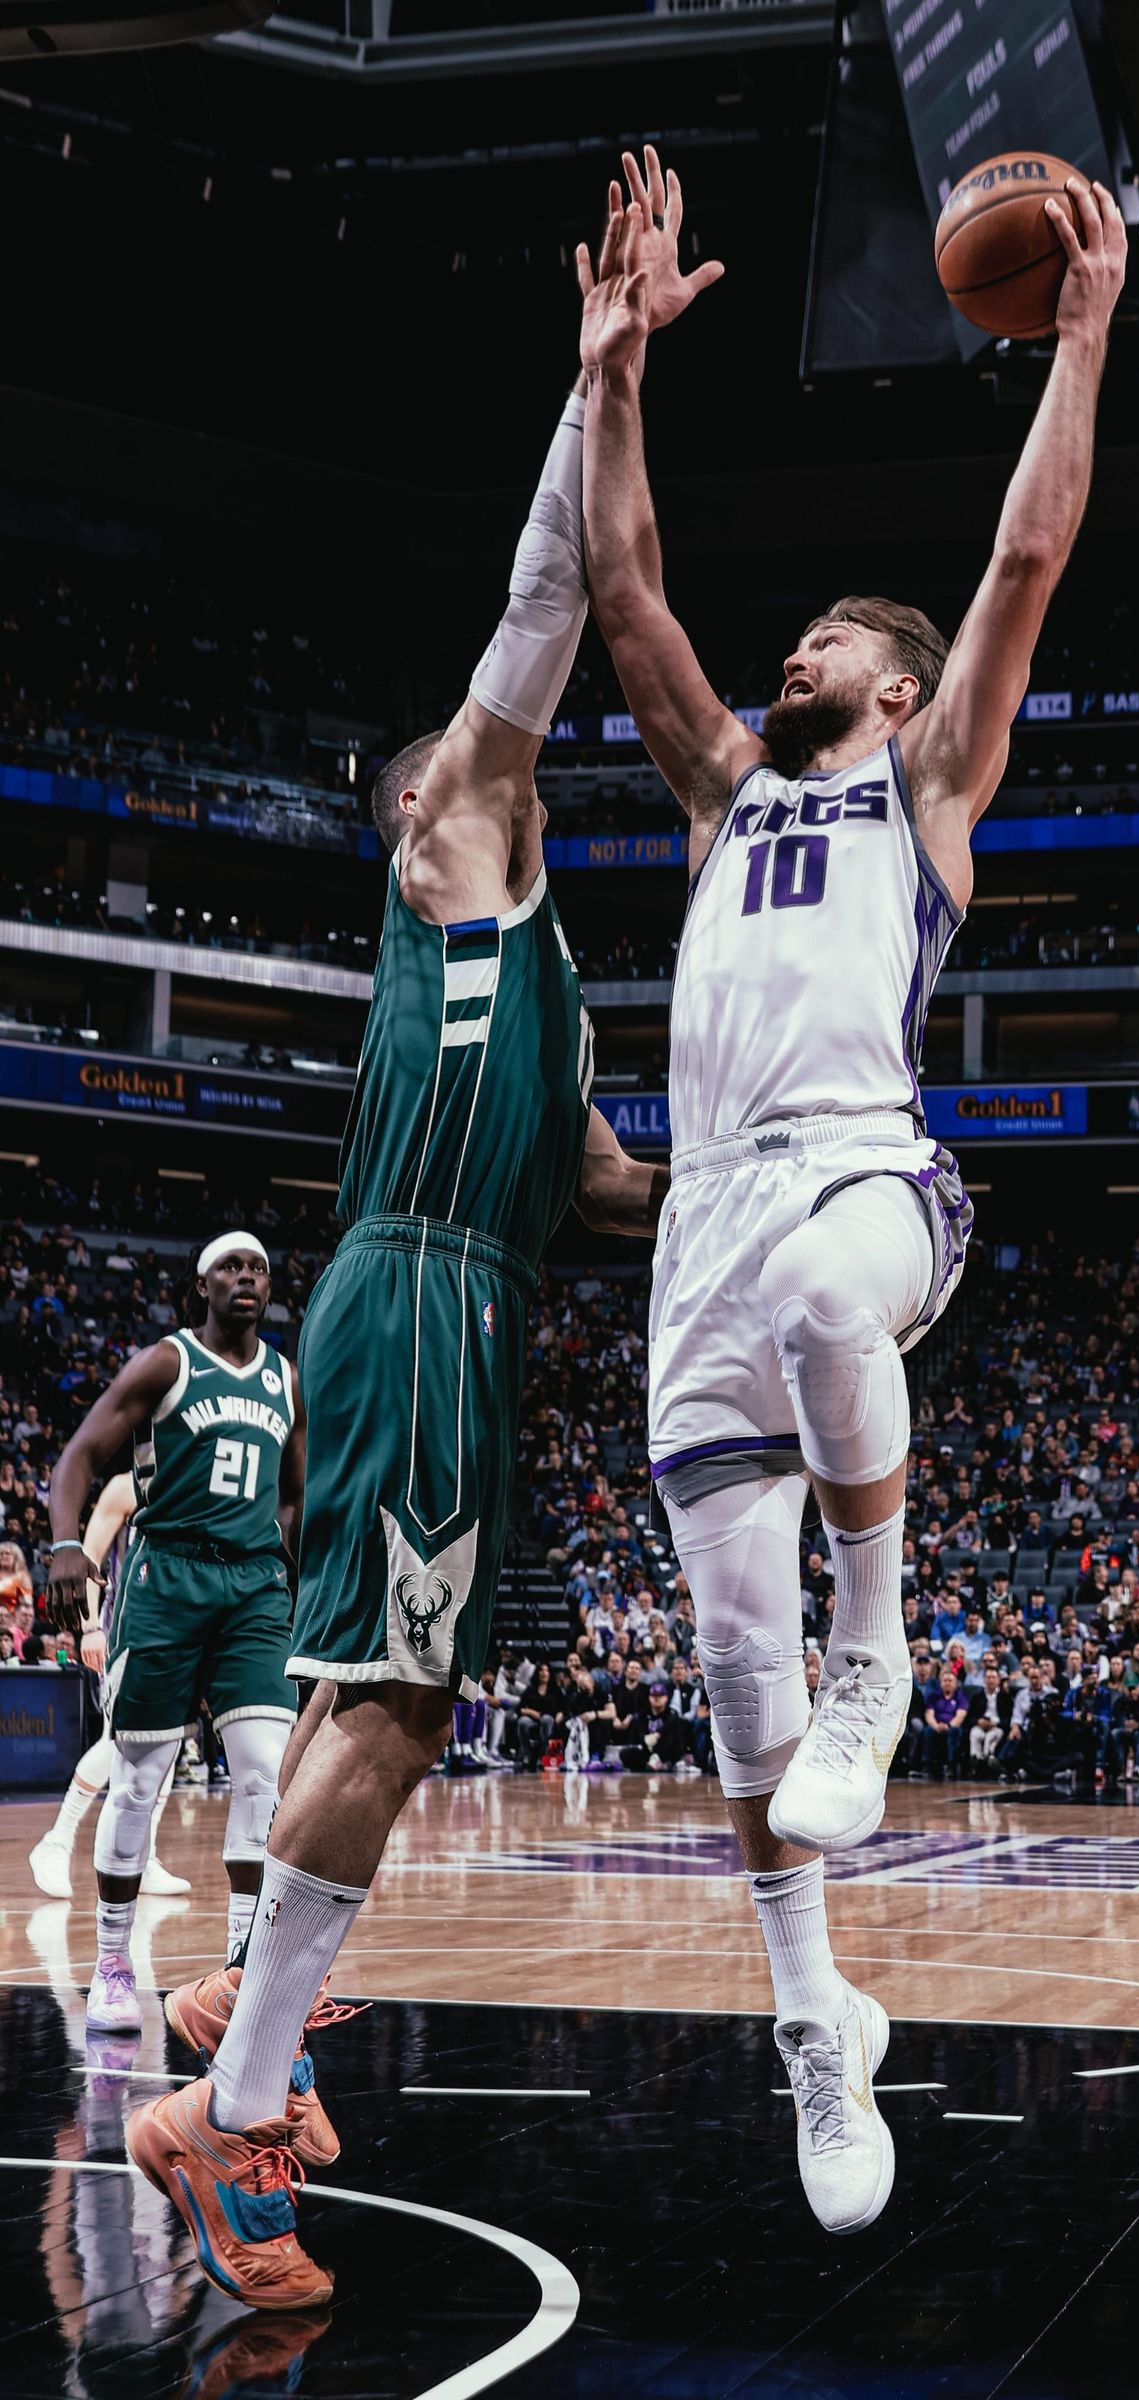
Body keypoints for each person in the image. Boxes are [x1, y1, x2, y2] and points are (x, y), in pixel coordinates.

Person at [123, 166, 696, 2313]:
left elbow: (611, 1195)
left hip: (477, 1305)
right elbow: (562, 593)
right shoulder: (450, 839)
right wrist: (602, 376)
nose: (509, 744)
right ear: (423, 804)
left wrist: (808, 1181)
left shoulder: (547, 986)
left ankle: (235, 2054)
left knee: (402, 1709)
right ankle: (229, 2106)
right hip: (407, 1298)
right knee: (383, 1710)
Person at [580, 145, 1125, 2233]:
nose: (782, 649)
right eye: (792, 635)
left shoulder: (925, 778)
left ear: (886, 688)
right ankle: (816, 2022)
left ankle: (884, 1656)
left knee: (834, 1305)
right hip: (698, 1224)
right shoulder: (724, 791)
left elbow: (1022, 565)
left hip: (866, 1174)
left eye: (820, 637)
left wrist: (1074, 340)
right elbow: (627, 596)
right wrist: (611, 372)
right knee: (731, 1669)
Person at [46, 1236, 305, 2039]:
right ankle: (113, 1963)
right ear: (201, 1283)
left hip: (254, 1586)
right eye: (231, 1268)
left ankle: (240, 1966)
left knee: (265, 1773)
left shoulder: (286, 1377)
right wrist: (66, 1547)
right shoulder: (168, 1362)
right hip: (170, 1581)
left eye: (259, 1268)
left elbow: (296, 1494)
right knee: (140, 1779)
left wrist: (294, 1569)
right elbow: (81, 1455)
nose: (247, 1279)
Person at [28, 1471, 189, 1901]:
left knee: (168, 1744)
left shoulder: (194, 1475)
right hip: (126, 1627)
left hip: (181, 1633)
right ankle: (57, 1840)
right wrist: (91, 1628)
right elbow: (91, 1558)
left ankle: (146, 1857)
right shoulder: (127, 1485)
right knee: (118, 1740)